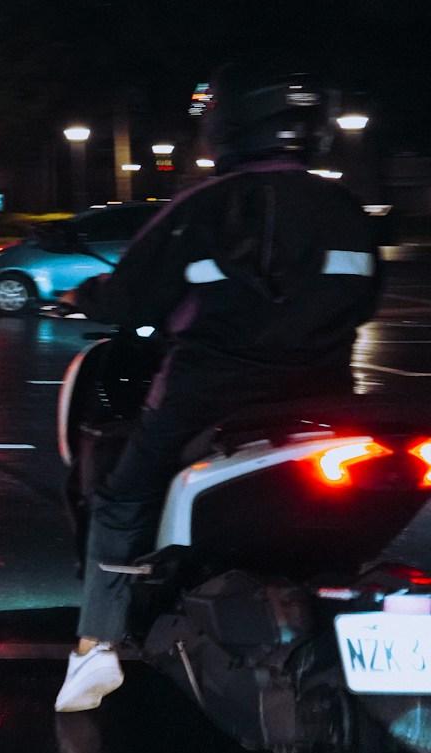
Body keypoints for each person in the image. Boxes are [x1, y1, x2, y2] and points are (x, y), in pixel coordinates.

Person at [55, 68, 381, 712]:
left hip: (209, 397)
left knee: (122, 498)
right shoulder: (345, 209)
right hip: (326, 398)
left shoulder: (205, 206)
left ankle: (96, 648)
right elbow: (366, 298)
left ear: (229, 126)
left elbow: (131, 294)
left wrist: (83, 296)